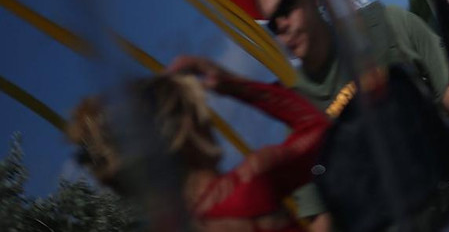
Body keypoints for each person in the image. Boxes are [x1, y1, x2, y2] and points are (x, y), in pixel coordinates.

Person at [253, 0, 449, 231]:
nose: (283, 26)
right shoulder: (297, 117)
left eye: (287, 6)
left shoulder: (388, 29)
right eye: (273, 24)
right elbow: (322, 224)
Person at [66, 55, 329, 232]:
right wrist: (232, 84)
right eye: (201, 111)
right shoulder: (249, 184)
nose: (210, 124)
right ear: (187, 129)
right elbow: (320, 131)